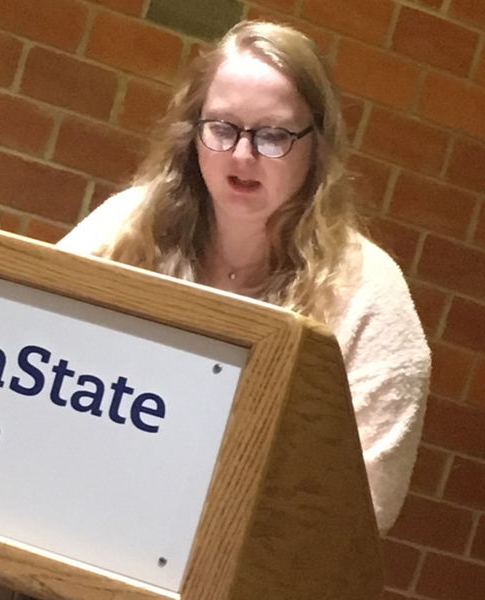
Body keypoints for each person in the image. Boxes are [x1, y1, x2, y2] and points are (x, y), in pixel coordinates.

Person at [57, 20, 430, 534]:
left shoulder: (370, 294)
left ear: (316, 146)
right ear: (193, 132)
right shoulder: (128, 225)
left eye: (274, 135)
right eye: (223, 128)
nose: (242, 155)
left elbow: (359, 518)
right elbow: (33, 353)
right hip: (82, 518)